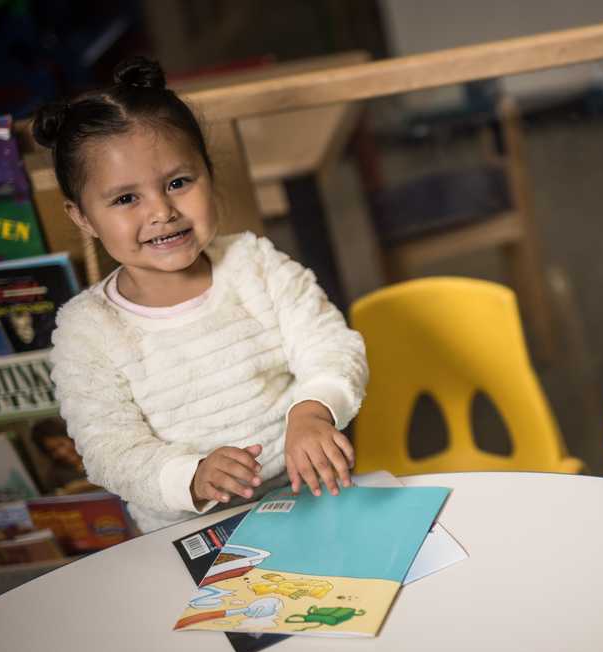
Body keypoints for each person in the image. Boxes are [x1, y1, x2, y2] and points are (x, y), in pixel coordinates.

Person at [34, 56, 368, 533]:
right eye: (126, 199)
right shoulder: (86, 330)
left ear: (208, 175)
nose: (162, 211)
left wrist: (313, 412)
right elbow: (109, 450)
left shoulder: (255, 264)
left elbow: (331, 346)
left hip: (312, 499)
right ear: (83, 217)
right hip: (189, 534)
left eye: (178, 183)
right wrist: (191, 478)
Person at [29, 416, 100, 494]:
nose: (62, 453)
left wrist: (79, 487)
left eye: (61, 444)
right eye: (53, 450)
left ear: (71, 438)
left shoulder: (97, 456)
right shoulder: (54, 476)